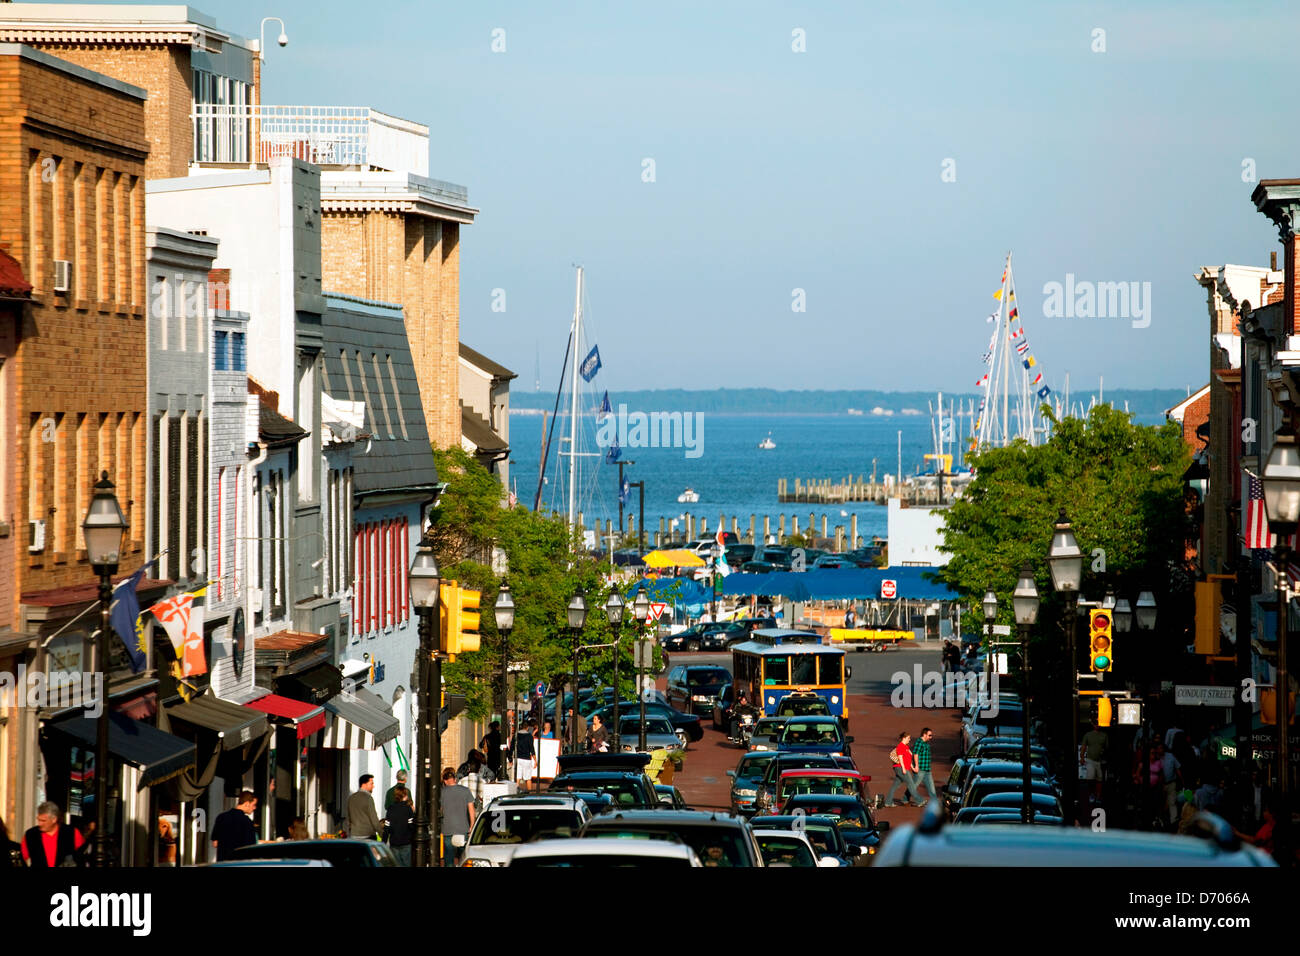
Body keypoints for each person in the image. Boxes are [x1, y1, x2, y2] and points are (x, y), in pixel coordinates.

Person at [439, 768, 476, 866]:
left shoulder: (442, 793)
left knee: (449, 857)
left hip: (447, 828)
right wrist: (472, 825)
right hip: (462, 828)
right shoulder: (465, 791)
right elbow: (471, 809)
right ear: (454, 779)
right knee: (463, 857)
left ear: (445, 780)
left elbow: (440, 810)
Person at [210, 791, 258, 862]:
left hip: (222, 862)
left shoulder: (221, 817)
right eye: (254, 805)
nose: (255, 808)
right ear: (247, 804)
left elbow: (215, 843)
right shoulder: (247, 822)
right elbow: (251, 848)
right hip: (239, 862)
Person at [886, 732, 923, 807]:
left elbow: (908, 760)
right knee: (911, 784)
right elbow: (900, 758)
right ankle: (919, 801)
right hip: (900, 768)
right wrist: (903, 769)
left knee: (895, 786)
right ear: (904, 738)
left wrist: (913, 768)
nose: (909, 740)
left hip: (903, 768)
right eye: (908, 738)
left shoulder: (906, 747)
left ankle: (888, 802)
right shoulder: (900, 746)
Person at [1150, 741, 1182, 826]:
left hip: (1171, 782)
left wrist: (1181, 781)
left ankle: (1173, 821)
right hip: (1159, 785)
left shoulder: (1170, 756)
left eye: (1161, 748)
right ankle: (1161, 821)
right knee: (1160, 804)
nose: (1160, 750)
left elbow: (1178, 768)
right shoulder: (1154, 757)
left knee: (1172, 802)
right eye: (1158, 748)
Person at [346, 774, 384, 840]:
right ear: (364, 784)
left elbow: (348, 818)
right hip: (367, 835)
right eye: (371, 783)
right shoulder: (368, 798)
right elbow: (374, 819)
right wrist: (382, 834)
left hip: (354, 835)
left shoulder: (351, 798)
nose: (373, 786)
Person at [385, 786, 414, 866]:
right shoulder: (408, 808)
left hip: (394, 842)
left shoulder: (391, 808)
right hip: (406, 841)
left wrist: (384, 842)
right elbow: (411, 825)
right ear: (404, 795)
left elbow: (387, 827)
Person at [1080, 719, 1108, 800]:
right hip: (1090, 759)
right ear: (1093, 724)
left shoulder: (1104, 735)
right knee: (1090, 778)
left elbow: (1106, 748)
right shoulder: (1088, 735)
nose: (1097, 725)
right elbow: (1084, 747)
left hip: (1100, 760)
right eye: (1095, 724)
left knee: (1100, 779)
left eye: (1098, 724)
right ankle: (1091, 794)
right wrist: (1082, 757)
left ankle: (1098, 795)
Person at [913, 727, 938, 802]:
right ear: (924, 734)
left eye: (931, 735)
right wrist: (916, 766)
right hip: (920, 769)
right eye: (929, 735)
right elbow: (915, 754)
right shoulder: (919, 742)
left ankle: (935, 802)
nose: (931, 737)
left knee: (931, 787)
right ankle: (905, 798)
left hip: (927, 769)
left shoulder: (926, 743)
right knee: (913, 786)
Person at [514, 719, 537, 789]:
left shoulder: (517, 735)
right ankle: (529, 793)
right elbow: (532, 749)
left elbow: (513, 746)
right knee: (528, 778)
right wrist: (535, 760)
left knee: (518, 777)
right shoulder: (529, 736)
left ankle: (516, 790)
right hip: (527, 758)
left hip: (518, 758)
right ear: (527, 727)